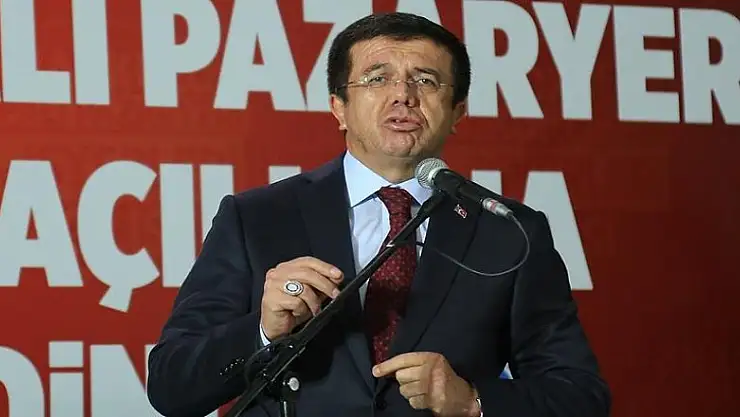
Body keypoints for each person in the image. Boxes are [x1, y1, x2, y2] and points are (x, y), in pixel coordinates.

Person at [146, 11, 611, 417]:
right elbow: (170, 386)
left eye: (426, 80)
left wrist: (473, 401)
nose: (403, 95)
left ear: (458, 112)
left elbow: (579, 395)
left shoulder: (508, 230)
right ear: (339, 108)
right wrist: (263, 332)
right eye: (376, 79)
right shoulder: (257, 218)